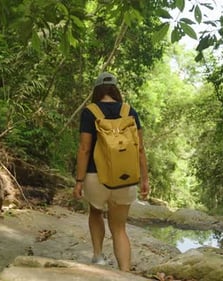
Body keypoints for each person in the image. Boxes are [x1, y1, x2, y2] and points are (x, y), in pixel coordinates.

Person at [73, 72, 150, 271]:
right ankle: (124, 272)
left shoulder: (90, 112)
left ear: (97, 90)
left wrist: (79, 180)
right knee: (119, 228)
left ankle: (98, 256)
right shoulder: (129, 111)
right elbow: (140, 148)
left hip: (95, 176)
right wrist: (144, 180)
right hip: (125, 179)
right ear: (116, 89)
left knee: (96, 212)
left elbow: (85, 149)